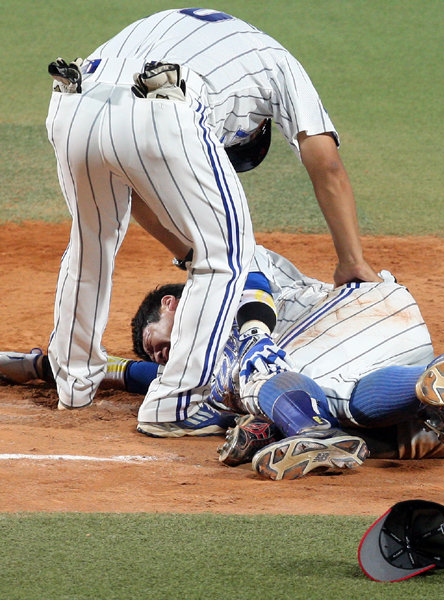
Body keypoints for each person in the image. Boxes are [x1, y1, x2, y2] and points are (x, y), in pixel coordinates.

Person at [45, 8, 379, 432]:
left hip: (74, 103)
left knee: (89, 247)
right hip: (162, 110)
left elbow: (139, 188)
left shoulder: (187, 27)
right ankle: (176, 406)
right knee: (229, 257)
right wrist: (351, 260)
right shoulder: (279, 63)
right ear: (259, 128)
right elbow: (326, 164)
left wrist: (186, 250)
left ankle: (73, 387)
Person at [5, 246, 444, 479]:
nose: (160, 355)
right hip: (384, 352)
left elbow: (254, 283)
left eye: (154, 341)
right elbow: (127, 373)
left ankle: (304, 429)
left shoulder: (222, 273)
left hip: (351, 317)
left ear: (170, 305)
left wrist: (253, 337)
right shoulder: (192, 360)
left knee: (242, 366)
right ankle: (438, 377)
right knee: (351, 401)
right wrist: (31, 366)